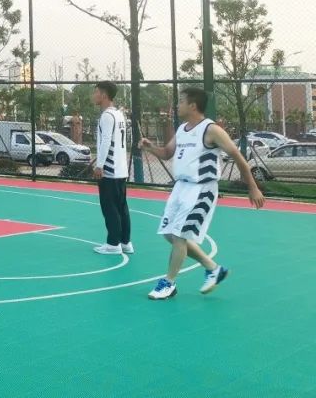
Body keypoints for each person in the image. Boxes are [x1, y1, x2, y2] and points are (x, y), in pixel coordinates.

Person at [139, 87, 265, 300]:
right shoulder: (182, 129)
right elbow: (167, 153)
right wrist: (150, 147)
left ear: (193, 105)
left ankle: (169, 283)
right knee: (170, 234)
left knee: (179, 235)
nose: (177, 105)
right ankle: (214, 269)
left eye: (181, 101)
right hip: (180, 187)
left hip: (201, 188)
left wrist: (252, 187)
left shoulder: (211, 129)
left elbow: (238, 157)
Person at [92, 81, 133, 255]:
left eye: (96, 92)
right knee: (122, 207)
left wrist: (99, 165)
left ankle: (113, 244)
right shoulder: (119, 114)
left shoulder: (107, 116)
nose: (94, 95)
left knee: (110, 207)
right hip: (120, 168)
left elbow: (106, 141)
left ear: (103, 95)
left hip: (110, 169)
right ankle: (125, 242)